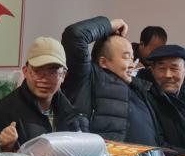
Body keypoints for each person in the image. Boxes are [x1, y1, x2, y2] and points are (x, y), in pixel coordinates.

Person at [60, 15, 160, 144]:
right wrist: (111, 25)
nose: (132, 64)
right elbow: (75, 35)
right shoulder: (88, 77)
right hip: (104, 155)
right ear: (103, 62)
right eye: (126, 57)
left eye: (132, 58)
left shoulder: (141, 88)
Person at [0, 37, 87, 149]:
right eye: (37, 71)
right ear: (25, 71)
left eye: (52, 72)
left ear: (63, 75)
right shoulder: (3, 112)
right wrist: (6, 148)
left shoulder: (71, 114)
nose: (44, 79)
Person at [144, 44, 185, 153]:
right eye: (161, 68)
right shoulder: (145, 99)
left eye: (174, 68)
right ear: (153, 70)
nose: (168, 75)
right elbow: (157, 145)